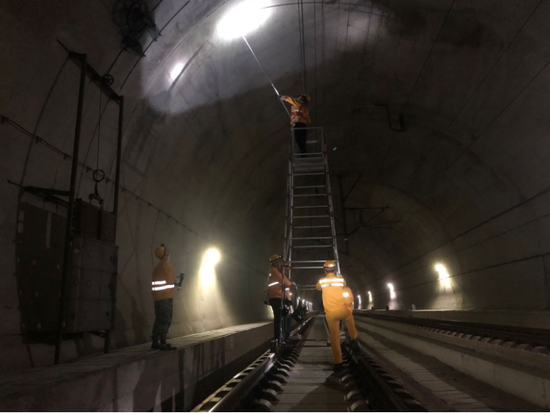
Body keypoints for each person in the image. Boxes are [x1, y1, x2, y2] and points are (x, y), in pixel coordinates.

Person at [316, 260, 360, 370]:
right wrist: (339, 277)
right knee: (350, 318)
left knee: (334, 337)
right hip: (343, 310)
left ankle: (338, 363)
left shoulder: (321, 281)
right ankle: (354, 338)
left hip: (330, 314)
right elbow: (344, 286)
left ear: (325, 271)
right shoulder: (340, 280)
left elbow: (317, 288)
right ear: (335, 269)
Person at [151, 244, 180, 351]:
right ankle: (162, 342)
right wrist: (175, 284)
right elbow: (169, 282)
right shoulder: (166, 266)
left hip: (158, 297)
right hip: (165, 297)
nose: (168, 252)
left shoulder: (158, 267)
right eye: (166, 251)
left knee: (159, 318)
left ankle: (155, 341)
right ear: (165, 254)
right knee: (165, 319)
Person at [267, 254, 293, 343]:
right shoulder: (275, 271)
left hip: (278, 298)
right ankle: (279, 338)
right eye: (279, 262)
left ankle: (282, 338)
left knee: (283, 317)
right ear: (276, 262)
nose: (280, 264)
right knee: (279, 318)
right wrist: (292, 284)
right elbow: (286, 282)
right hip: (276, 298)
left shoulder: (275, 271)